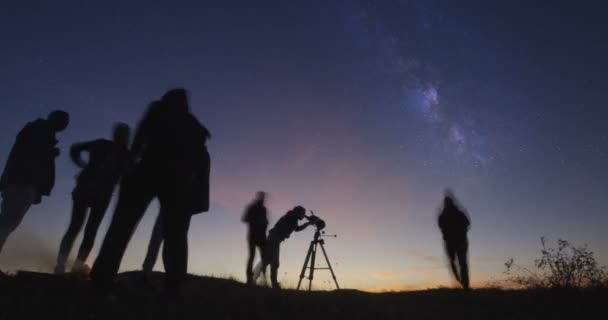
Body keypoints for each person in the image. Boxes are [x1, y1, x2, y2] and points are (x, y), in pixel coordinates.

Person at [90, 89, 210, 295]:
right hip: (176, 181)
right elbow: (201, 162)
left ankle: (102, 279)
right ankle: (174, 287)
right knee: (175, 235)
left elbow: (142, 133)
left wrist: (132, 158)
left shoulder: (159, 109)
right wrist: (194, 192)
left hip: (148, 169)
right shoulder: (195, 126)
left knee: (122, 226)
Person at [54, 123, 131, 275]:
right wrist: (81, 163)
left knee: (80, 228)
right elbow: (128, 175)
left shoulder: (109, 147)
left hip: (93, 191)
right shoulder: (120, 152)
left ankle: (68, 266)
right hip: (93, 192)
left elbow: (75, 148)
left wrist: (80, 163)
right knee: (84, 229)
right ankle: (68, 266)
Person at [0, 110, 70, 255]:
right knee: (7, 223)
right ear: (55, 119)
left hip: (22, 183)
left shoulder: (41, 132)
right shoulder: (39, 131)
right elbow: (30, 157)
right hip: (22, 182)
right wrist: (50, 154)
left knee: (8, 223)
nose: (65, 125)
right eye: (64, 121)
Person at [257, 206, 312, 289]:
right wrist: (308, 223)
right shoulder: (293, 217)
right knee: (274, 262)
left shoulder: (291, 216)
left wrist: (306, 220)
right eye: (303, 214)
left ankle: (254, 277)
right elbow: (297, 229)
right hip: (275, 239)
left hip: (274, 238)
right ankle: (274, 285)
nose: (304, 216)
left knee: (268, 259)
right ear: (298, 212)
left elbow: (295, 226)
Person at [438, 190, 471, 289]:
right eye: (446, 202)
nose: (447, 204)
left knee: (462, 263)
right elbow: (441, 227)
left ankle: (465, 285)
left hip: (461, 242)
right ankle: (461, 282)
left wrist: (461, 233)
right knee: (453, 263)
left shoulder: (458, 213)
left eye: (448, 202)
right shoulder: (442, 215)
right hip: (450, 243)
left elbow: (467, 224)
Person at [242, 191, 268, 285]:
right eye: (262, 197)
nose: (263, 199)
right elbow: (245, 218)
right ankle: (249, 279)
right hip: (253, 236)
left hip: (261, 237)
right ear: (259, 197)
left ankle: (264, 280)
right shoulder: (252, 207)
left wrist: (265, 223)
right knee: (252, 257)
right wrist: (256, 220)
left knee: (264, 258)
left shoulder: (264, 209)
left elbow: (265, 221)